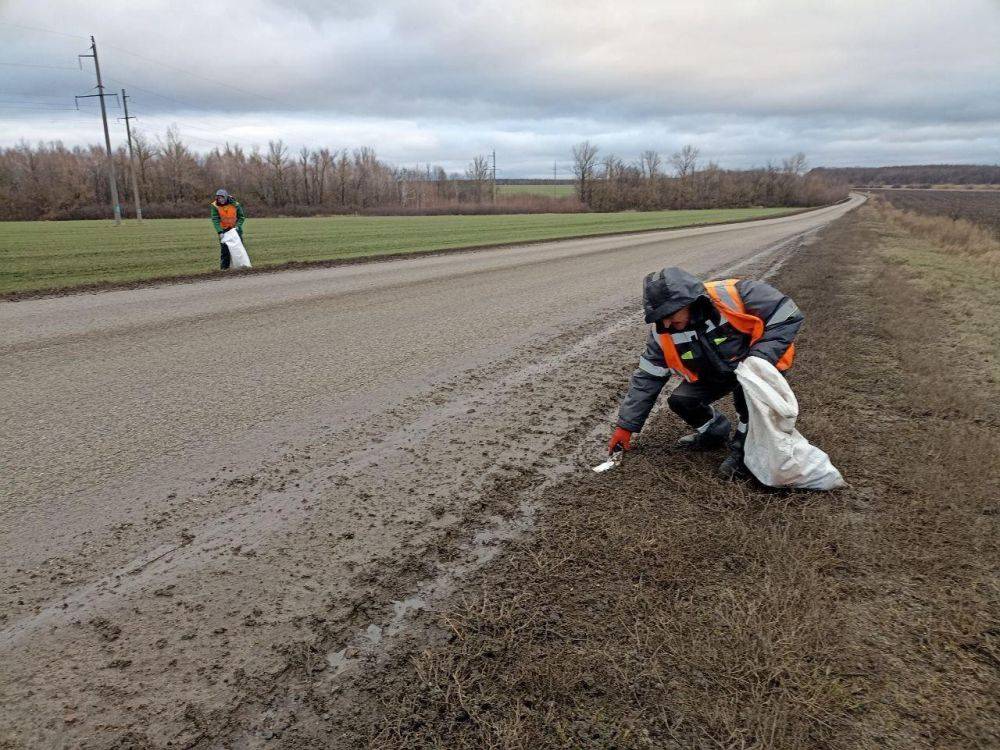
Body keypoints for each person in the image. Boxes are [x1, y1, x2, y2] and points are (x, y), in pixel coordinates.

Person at [608, 266, 803, 480]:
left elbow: (788, 314)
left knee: (747, 400)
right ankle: (715, 432)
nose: (666, 323)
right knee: (681, 400)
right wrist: (625, 426)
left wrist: (759, 360)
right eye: (660, 317)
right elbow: (647, 377)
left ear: (690, 301)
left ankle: (744, 451)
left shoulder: (735, 294)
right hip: (716, 372)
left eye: (670, 314)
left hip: (755, 364)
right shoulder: (663, 332)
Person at [211, 189, 246, 269]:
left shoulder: (236, 204)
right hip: (223, 231)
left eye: (222, 198)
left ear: (226, 197)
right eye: (218, 198)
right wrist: (220, 232)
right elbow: (215, 219)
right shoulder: (215, 206)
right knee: (225, 251)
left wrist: (237, 226)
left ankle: (242, 266)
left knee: (239, 249)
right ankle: (224, 269)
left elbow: (241, 217)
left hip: (235, 229)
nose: (220, 200)